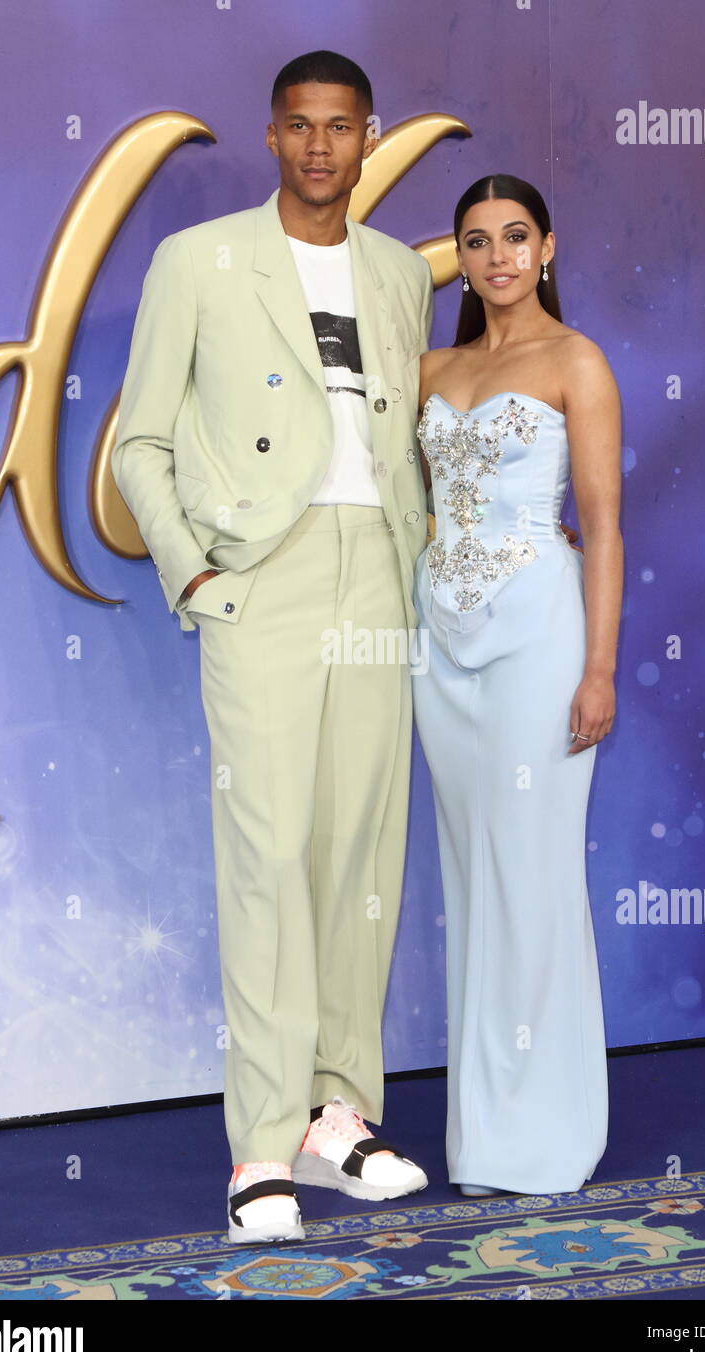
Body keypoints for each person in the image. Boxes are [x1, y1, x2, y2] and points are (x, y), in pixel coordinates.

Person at [111, 51, 434, 1244]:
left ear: (367, 139)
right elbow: (138, 441)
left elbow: (400, 442)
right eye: (298, 126)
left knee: (362, 853)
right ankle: (261, 1143)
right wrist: (195, 572)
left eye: (339, 128)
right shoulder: (197, 262)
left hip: (378, 574)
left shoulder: (400, 274)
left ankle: (340, 1112)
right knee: (266, 857)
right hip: (265, 574)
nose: (318, 147)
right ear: (271, 137)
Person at [411, 174, 622, 1195]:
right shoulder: (429, 368)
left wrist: (599, 670)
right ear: (458, 257)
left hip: (542, 637)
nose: (496, 255)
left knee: (533, 873)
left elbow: (605, 525)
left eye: (515, 236)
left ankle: (548, 1131)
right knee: (471, 877)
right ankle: (483, 1135)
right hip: (438, 646)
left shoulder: (577, 361)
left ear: (546, 246)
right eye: (476, 240)